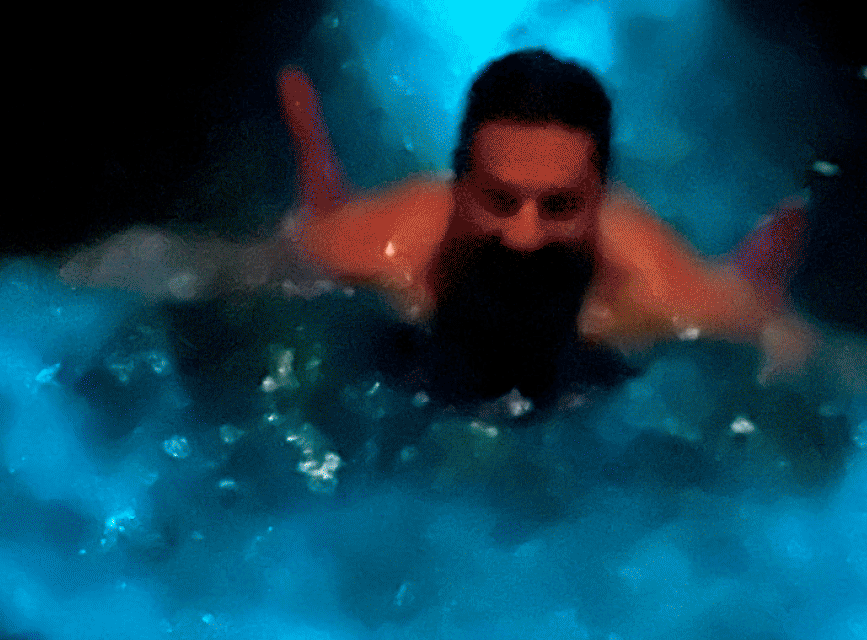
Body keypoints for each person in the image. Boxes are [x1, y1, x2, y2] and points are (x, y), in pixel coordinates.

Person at [278, 49, 810, 398]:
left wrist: (765, 318)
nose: (525, 238)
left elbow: (846, 363)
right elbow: (211, 267)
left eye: (559, 207)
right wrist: (316, 232)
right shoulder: (376, 250)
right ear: (457, 185)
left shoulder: (660, 296)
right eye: (499, 201)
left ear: (600, 201)